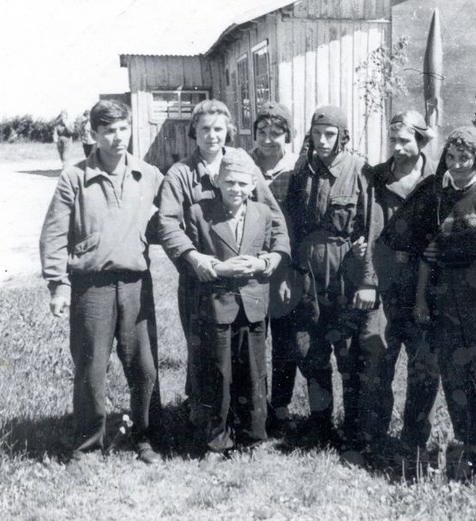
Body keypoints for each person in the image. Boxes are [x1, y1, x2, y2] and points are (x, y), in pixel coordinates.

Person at [39, 100, 163, 464]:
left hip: (136, 283)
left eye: (123, 128)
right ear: (93, 134)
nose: (117, 137)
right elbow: (54, 235)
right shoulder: (74, 178)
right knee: (91, 365)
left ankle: (146, 438)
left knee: (144, 365)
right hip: (90, 286)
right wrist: (58, 284)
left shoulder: (149, 174)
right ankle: (89, 444)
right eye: (108, 130)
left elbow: (169, 221)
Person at [156, 99, 288, 413]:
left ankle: (250, 419)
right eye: (205, 129)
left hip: (246, 282)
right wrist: (192, 257)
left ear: (227, 131)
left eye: (218, 129)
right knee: (205, 351)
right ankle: (204, 414)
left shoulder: (242, 161)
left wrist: (272, 259)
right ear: (194, 132)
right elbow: (167, 222)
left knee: (248, 353)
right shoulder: (181, 173)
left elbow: (273, 216)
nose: (212, 136)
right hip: (203, 280)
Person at [410, 126, 476, 479]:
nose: (456, 165)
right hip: (445, 301)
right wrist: (422, 299)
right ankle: (466, 443)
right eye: (451, 158)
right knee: (455, 375)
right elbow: (428, 253)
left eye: (464, 158)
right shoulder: (439, 198)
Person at [286, 105, 385, 450]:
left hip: (344, 272)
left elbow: (371, 228)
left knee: (348, 353)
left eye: (330, 134)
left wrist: (367, 280)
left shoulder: (360, 171)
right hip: (309, 275)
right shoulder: (302, 172)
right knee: (310, 350)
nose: (323, 140)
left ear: (342, 136)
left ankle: (354, 427)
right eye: (317, 134)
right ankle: (320, 423)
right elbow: (292, 225)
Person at [185, 148, 290, 454]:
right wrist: (216, 267)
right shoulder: (199, 213)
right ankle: (217, 440)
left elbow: (278, 246)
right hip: (217, 305)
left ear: (252, 186)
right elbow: (190, 256)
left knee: (254, 373)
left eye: (243, 184)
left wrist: (265, 263)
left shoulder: (263, 213)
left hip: (253, 304)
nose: (236, 190)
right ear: (217, 181)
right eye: (229, 182)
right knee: (218, 373)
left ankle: (253, 437)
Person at [370, 111, 441, 462]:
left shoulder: (437, 180)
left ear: (421, 142)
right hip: (384, 283)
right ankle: (377, 435)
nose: (397, 148)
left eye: (405, 141)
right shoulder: (375, 177)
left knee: (424, 365)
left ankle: (415, 439)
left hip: (424, 286)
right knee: (379, 358)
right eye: (392, 141)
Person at [249, 102, 305, 435]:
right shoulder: (243, 164)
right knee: (252, 338)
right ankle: (254, 406)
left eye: (277, 132)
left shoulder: (297, 167)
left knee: (285, 340)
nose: (269, 140)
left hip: (286, 263)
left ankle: (281, 406)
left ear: (288, 134)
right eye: (262, 133)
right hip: (252, 263)